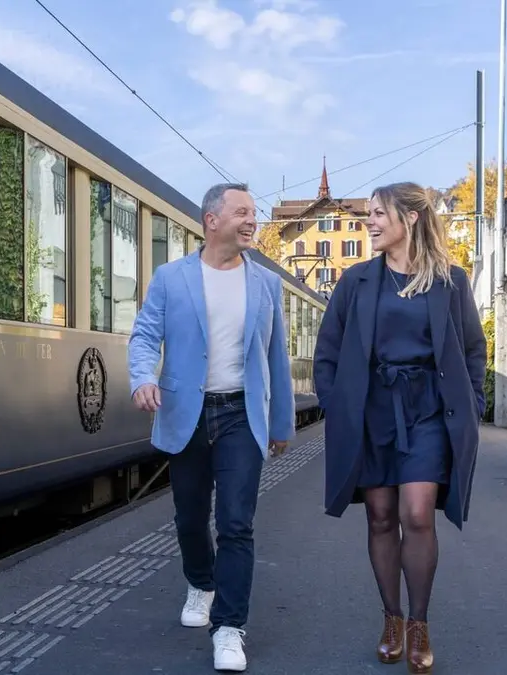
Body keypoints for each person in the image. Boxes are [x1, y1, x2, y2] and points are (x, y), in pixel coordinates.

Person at [312, 181, 486, 674]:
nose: (370, 222)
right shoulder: (356, 282)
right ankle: (391, 618)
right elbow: (327, 352)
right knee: (381, 517)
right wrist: (338, 406)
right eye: (368, 214)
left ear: (409, 218)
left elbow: (474, 350)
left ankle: (419, 625)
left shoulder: (450, 282)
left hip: (429, 413)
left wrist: (473, 404)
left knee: (417, 513)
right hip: (371, 414)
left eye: (378, 214)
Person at [128, 182, 295, 672]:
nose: (252, 221)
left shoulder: (266, 284)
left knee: (237, 524)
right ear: (211, 219)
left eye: (254, 213)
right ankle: (200, 582)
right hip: (188, 412)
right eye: (242, 212)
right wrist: (142, 377)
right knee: (189, 518)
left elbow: (275, 358)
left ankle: (229, 627)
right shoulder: (171, 278)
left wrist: (280, 423)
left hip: (242, 413)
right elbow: (145, 334)